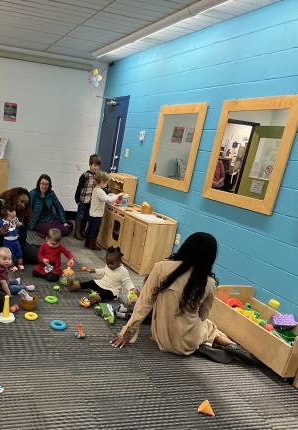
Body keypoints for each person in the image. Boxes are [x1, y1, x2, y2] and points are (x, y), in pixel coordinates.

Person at [110, 232, 258, 364]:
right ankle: (228, 344)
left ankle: (216, 343)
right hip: (189, 341)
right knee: (209, 325)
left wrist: (126, 333)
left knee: (202, 325)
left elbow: (143, 305)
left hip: (162, 338)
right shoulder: (209, 282)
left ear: (186, 247)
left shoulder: (161, 267)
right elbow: (203, 315)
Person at [0, 187, 38, 264]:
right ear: (14, 197)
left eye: (26, 204)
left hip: (15, 243)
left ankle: (40, 248)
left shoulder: (22, 214)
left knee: (38, 257)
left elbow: (23, 239)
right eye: (21, 201)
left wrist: (18, 229)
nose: (23, 205)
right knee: (10, 261)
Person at [86, 171, 122, 250]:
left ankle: (87, 243)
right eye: (106, 183)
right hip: (97, 215)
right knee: (95, 231)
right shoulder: (100, 191)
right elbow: (108, 199)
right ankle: (92, 244)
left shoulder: (95, 189)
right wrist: (118, 195)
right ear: (102, 182)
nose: (106, 185)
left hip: (92, 213)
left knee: (90, 229)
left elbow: (104, 199)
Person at [74, 154, 101, 240]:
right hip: (82, 201)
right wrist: (77, 199)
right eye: (95, 165)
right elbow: (79, 188)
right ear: (90, 164)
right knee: (80, 216)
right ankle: (77, 232)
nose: (96, 168)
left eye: (98, 166)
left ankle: (82, 231)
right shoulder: (85, 175)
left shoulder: (97, 177)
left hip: (91, 202)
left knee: (86, 217)